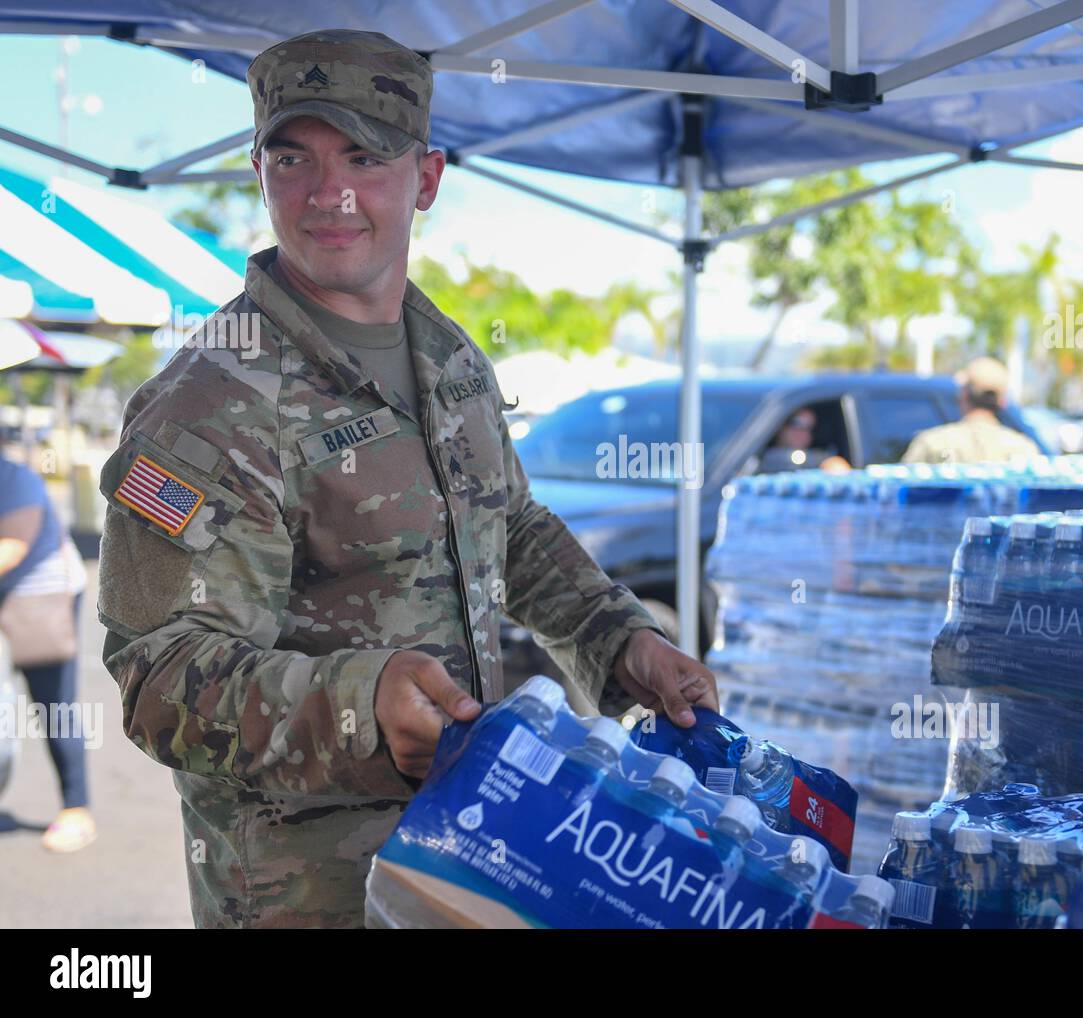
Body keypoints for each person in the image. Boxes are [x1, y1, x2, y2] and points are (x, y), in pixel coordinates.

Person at [96, 29, 718, 929]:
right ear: (259, 171)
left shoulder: (448, 356)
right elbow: (160, 678)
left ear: (425, 178)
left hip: (468, 866)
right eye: (293, 157)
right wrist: (362, 703)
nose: (328, 193)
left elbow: (514, 527)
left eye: (364, 155)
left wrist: (620, 641)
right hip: (310, 897)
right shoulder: (209, 404)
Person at [0, 447, 93, 852]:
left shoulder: (14, 478)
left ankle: (77, 810)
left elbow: (13, 545)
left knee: (54, 707)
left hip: (39, 600)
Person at [901, 356, 1041, 464]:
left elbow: (899, 495)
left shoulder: (932, 444)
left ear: (963, 395)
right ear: (1002, 401)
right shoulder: (1024, 449)